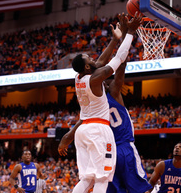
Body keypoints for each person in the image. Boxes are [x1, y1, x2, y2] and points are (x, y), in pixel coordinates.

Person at [61, 12, 143, 193]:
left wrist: (114, 40)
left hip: (83, 131)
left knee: (86, 178)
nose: (92, 58)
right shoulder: (96, 79)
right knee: (102, 178)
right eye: (88, 58)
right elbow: (119, 59)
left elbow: (98, 62)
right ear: (88, 67)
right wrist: (130, 32)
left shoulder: (78, 77)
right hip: (99, 130)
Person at [58, 61, 152, 193]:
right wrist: (123, 57)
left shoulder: (92, 105)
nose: (105, 83)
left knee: (106, 186)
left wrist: (68, 137)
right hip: (125, 148)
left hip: (106, 151)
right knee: (141, 188)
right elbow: (120, 73)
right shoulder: (114, 93)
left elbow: (83, 121)